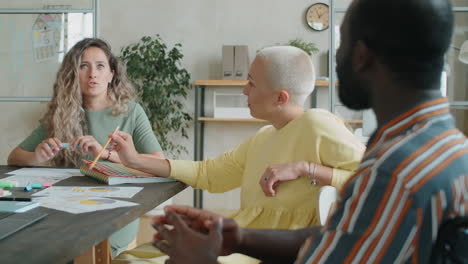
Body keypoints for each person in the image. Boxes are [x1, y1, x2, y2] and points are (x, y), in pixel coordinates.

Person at [147, 0, 468, 263]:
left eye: (340, 43)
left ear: (361, 56)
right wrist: (241, 237)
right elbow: (345, 236)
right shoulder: (445, 148)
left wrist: (198, 260)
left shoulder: (395, 173)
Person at [112, 46, 365, 263]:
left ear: (280, 97)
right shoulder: (264, 136)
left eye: (252, 83)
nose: (245, 90)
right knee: (130, 257)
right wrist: (134, 160)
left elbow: (371, 180)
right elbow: (209, 174)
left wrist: (305, 168)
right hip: (242, 239)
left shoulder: (317, 124)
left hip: (268, 252)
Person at [7, 38, 165, 257]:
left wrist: (106, 153)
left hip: (116, 212)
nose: (93, 74)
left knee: (74, 252)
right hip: (67, 210)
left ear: (111, 74)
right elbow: (14, 157)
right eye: (84, 66)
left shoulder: (132, 112)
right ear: (74, 74)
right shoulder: (61, 114)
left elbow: (158, 162)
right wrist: (37, 156)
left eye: (100, 66)